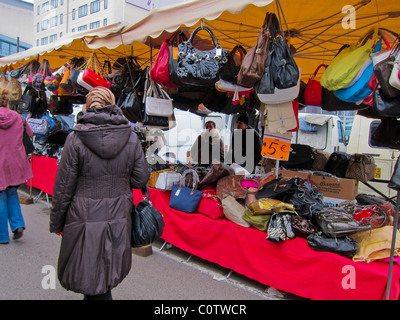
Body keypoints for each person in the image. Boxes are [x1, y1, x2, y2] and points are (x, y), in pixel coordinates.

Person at [50, 87, 149, 300]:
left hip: (84, 216)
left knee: (91, 279)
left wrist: (58, 223)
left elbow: (63, 187)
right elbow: (140, 179)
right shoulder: (130, 138)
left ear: (88, 105)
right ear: (113, 103)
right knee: (104, 277)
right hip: (118, 216)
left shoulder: (75, 139)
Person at [0, 88, 33, 244]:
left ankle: (2, 235)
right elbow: (30, 134)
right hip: (16, 161)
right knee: (12, 192)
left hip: (1, 161)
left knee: (0, 197)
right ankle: (17, 224)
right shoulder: (18, 117)